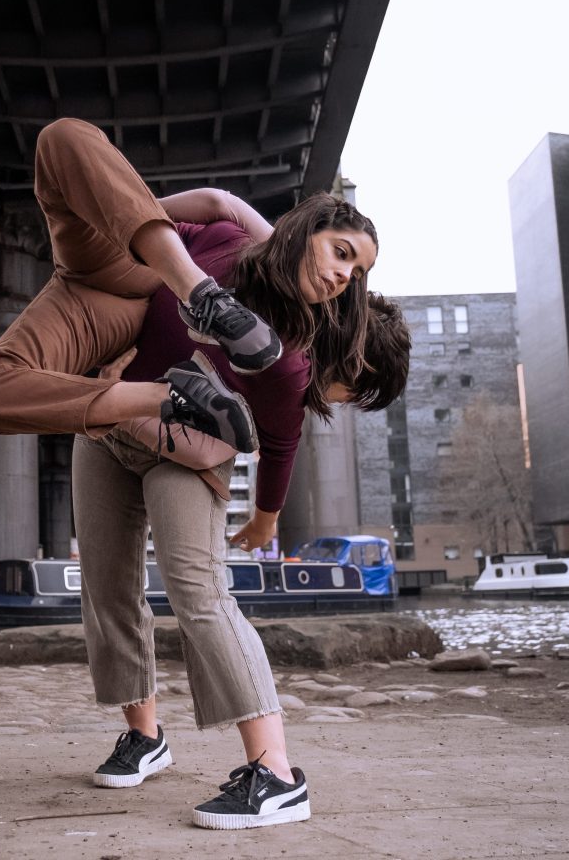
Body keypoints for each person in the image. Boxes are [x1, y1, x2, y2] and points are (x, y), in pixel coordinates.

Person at [0, 119, 379, 551]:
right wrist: (117, 206)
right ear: (307, 234)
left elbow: (281, 447)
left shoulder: (287, 354)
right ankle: (199, 294)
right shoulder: (238, 241)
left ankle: (172, 396)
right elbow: (217, 201)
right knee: (61, 137)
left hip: (116, 309)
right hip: (115, 263)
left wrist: (263, 522)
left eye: (356, 274)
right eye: (341, 253)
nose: (344, 274)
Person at [75, 294, 410, 830]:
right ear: (353, 356)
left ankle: (275, 774)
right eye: (358, 389)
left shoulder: (290, 374)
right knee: (104, 584)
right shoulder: (251, 294)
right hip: (108, 426)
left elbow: (281, 445)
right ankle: (145, 738)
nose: (347, 401)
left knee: (199, 592)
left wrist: (264, 520)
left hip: (188, 453)